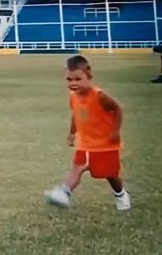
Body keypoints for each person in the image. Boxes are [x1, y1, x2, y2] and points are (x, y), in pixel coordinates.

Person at [44, 55, 131, 211]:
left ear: (89, 75)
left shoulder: (100, 96)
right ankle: (65, 191)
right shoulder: (73, 97)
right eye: (69, 80)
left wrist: (115, 131)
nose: (73, 83)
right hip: (85, 143)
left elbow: (118, 109)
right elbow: (76, 115)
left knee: (111, 175)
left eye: (77, 79)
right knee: (78, 167)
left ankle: (121, 194)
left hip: (105, 144)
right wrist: (72, 133)